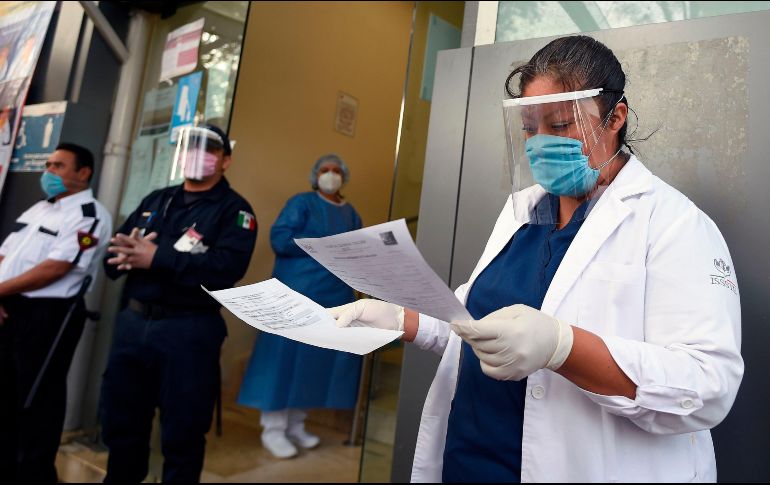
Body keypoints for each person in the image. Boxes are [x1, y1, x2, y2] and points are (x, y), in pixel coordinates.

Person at [331, 35, 743, 482]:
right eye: (530, 127)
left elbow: (707, 385)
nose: (541, 142)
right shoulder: (520, 210)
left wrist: (563, 347)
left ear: (615, 117)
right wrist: (399, 319)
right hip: (469, 461)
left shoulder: (674, 224)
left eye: (561, 124)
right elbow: (476, 322)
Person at [100, 124, 257, 483]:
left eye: (209, 149)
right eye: (189, 146)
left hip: (188, 332)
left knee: (182, 433)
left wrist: (158, 259)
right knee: (122, 423)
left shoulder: (235, 212)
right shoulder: (156, 200)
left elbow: (225, 270)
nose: (195, 155)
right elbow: (116, 253)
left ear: (226, 160)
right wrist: (123, 257)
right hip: (134, 325)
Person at [237, 154, 363, 459]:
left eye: (336, 171)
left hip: (334, 296)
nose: (331, 175)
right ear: (315, 175)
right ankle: (274, 429)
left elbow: (358, 248)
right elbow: (280, 239)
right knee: (283, 358)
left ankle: (296, 425)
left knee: (313, 362)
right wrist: (320, 243)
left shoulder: (350, 214)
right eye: (325, 170)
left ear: (343, 176)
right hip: (295, 294)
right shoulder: (302, 203)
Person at [0, 143, 112, 482]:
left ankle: (34, 474)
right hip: (9, 306)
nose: (49, 171)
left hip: (48, 314)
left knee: (38, 398)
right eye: (48, 164)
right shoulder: (40, 209)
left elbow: (57, 268)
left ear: (83, 173)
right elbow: (6, 256)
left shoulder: (90, 215)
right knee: (6, 392)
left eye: (58, 166)